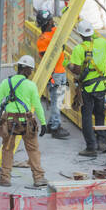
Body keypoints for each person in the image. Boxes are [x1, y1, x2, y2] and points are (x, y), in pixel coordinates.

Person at [0, 55, 49, 188]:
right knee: (33, 149)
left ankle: (5, 178)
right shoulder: (31, 85)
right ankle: (38, 178)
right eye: (31, 70)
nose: (31, 73)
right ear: (27, 70)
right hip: (26, 122)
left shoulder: (6, 83)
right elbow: (37, 105)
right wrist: (43, 123)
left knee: (7, 149)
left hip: (9, 121)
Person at [67, 21, 106, 158]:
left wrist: (68, 65)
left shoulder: (79, 49)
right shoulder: (102, 43)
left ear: (80, 34)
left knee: (87, 116)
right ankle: (102, 143)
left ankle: (91, 147)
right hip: (101, 86)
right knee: (100, 114)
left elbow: (76, 70)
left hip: (87, 88)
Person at [34, 9, 69, 139]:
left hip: (60, 72)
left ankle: (51, 123)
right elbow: (47, 59)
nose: (53, 22)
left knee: (57, 99)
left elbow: (62, 28)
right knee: (56, 101)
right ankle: (55, 126)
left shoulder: (53, 32)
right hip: (55, 74)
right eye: (51, 20)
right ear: (47, 23)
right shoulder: (43, 40)